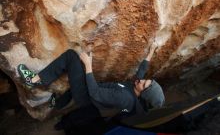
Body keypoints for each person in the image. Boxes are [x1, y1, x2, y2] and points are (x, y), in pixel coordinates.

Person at [17, 44, 165, 131]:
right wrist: (151, 51)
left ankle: (35, 80)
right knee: (73, 87)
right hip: (95, 103)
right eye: (146, 80)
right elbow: (141, 71)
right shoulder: (136, 89)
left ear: (143, 93)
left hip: (89, 99)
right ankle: (58, 103)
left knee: (71, 56)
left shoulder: (125, 98)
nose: (142, 80)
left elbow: (95, 93)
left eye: (144, 83)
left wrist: (88, 64)